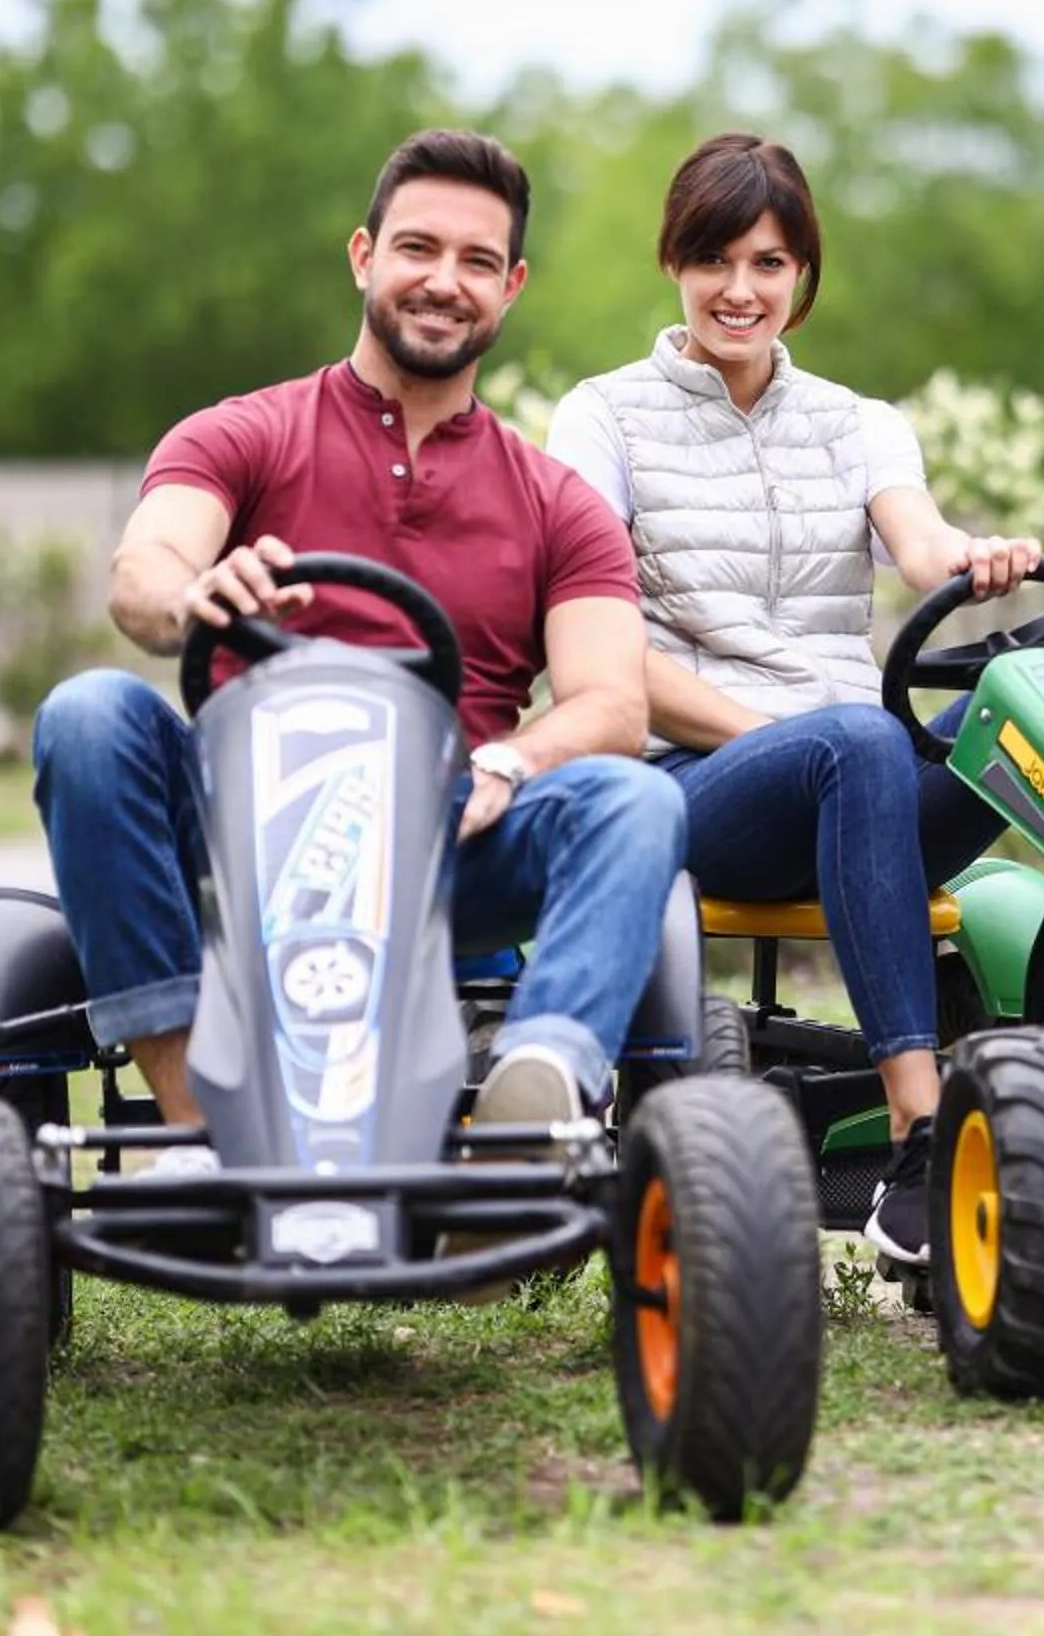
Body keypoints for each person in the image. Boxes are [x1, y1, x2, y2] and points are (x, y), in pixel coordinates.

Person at [545, 131, 1044, 1269]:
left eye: (768, 262)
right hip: (703, 794)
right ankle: (917, 1124)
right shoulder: (603, 419)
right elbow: (602, 657)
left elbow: (919, 543)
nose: (739, 290)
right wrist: (790, 735)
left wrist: (977, 558)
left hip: (867, 789)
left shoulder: (857, 421)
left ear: (804, 276)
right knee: (854, 737)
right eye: (715, 260)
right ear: (673, 262)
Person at [34, 128, 686, 1174]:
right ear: (363, 256)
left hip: (451, 832)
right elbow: (142, 570)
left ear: (511, 286)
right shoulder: (246, 432)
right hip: (244, 826)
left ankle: (535, 1104)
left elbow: (610, 701)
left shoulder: (556, 500)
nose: (444, 281)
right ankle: (195, 1114)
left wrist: (508, 760)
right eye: (417, 248)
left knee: (640, 797)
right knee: (87, 714)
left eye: (477, 261)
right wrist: (195, 591)